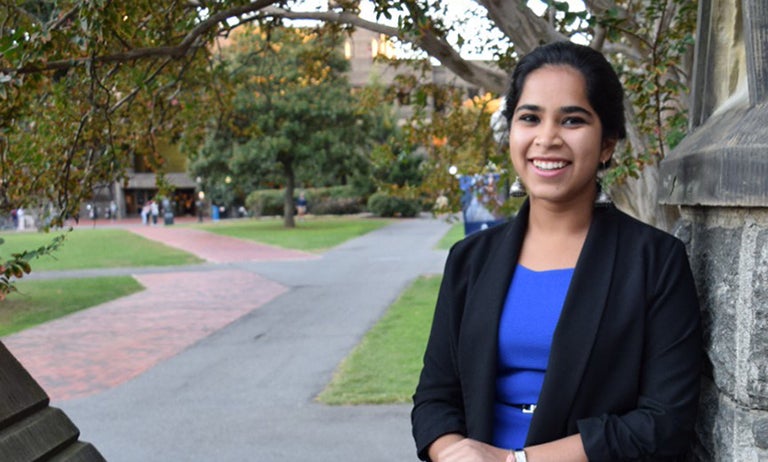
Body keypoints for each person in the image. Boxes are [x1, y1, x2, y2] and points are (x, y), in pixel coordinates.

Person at [411, 41, 702, 462]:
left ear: (607, 144)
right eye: (529, 118)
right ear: (511, 131)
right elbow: (435, 397)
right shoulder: (470, 260)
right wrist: (454, 452)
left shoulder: (655, 261)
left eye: (572, 120)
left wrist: (517, 461)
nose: (547, 138)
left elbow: (663, 421)